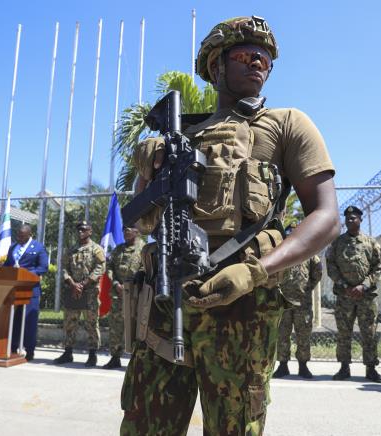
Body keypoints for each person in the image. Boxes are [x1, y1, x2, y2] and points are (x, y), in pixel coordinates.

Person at [120, 16, 339, 435]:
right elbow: (144, 219)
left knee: (234, 427)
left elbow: (325, 215)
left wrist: (255, 271)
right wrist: (148, 169)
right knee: (145, 424)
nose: (257, 63)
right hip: (167, 299)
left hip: (244, 303)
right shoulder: (179, 134)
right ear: (216, 66)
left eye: (265, 59)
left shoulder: (287, 123)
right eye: (244, 55)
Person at [326, 206, 381, 383]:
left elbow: (378, 268)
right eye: (348, 218)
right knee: (344, 333)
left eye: (354, 218)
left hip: (365, 297)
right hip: (345, 296)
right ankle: (344, 367)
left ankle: (371, 368)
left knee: (369, 332)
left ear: (360, 220)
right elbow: (331, 266)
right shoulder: (337, 243)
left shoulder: (371, 243)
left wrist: (364, 286)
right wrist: (344, 285)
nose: (350, 221)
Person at [54, 221, 105, 367]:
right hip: (73, 291)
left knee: (91, 324)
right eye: (78, 230)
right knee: (70, 323)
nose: (80, 232)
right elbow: (64, 268)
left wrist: (83, 284)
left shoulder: (96, 249)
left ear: (90, 231)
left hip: (89, 293)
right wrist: (72, 283)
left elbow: (100, 267)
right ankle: (68, 352)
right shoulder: (71, 250)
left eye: (83, 229)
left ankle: (92, 355)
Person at [272, 254, 322, 379]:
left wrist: (307, 288)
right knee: (282, 334)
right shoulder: (283, 250)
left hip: (303, 302)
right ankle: (283, 366)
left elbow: (318, 271)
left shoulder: (309, 251)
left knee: (303, 335)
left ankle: (303, 366)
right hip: (283, 301)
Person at [3, 224, 48, 362]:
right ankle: (13, 347)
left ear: (30, 234)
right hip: (13, 290)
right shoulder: (13, 247)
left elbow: (43, 268)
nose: (19, 238)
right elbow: (7, 265)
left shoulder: (39, 247)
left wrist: (25, 274)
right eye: (18, 235)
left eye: (22, 236)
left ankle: (30, 350)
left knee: (29, 321)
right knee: (13, 320)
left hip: (30, 290)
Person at [103, 226, 143, 369]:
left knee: (136, 328)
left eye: (129, 230)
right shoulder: (118, 249)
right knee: (116, 327)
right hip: (117, 294)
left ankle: (136, 360)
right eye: (124, 230)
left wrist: (133, 285)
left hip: (136, 296)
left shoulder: (144, 249)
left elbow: (147, 269)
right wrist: (115, 283)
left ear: (137, 231)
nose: (126, 232)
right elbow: (109, 267)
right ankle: (115, 357)